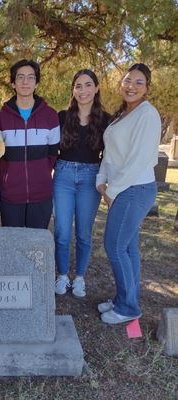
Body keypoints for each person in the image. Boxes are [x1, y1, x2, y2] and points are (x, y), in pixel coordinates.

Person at [96, 63, 161, 324]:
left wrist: (112, 190)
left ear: (147, 88)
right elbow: (110, 153)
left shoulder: (148, 114)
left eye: (138, 82)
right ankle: (127, 299)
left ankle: (127, 308)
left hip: (135, 189)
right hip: (123, 188)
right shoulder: (123, 114)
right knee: (129, 248)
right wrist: (102, 180)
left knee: (114, 246)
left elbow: (139, 159)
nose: (131, 86)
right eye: (127, 80)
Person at [54, 70, 110, 298]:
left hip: (91, 177)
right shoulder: (62, 116)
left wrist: (107, 184)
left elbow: (111, 156)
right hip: (63, 175)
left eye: (88, 85)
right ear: (73, 90)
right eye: (78, 86)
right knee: (62, 231)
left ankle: (79, 278)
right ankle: (62, 275)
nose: (83, 90)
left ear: (96, 88)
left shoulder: (106, 120)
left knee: (84, 233)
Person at [0, 59, 59, 228]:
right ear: (13, 83)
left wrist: (42, 174)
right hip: (10, 196)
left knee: (36, 249)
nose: (25, 81)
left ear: (36, 83)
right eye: (20, 77)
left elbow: (53, 155)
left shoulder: (51, 116)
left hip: (41, 195)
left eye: (31, 77)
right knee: (13, 246)